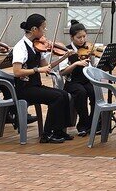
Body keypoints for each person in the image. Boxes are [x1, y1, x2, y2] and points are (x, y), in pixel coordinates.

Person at [11, 14, 73, 143]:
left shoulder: (37, 46)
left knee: (64, 94)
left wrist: (64, 56)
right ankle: (47, 134)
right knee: (56, 97)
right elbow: (17, 71)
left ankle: (59, 130)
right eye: (43, 28)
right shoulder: (20, 47)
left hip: (35, 86)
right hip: (24, 89)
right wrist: (37, 70)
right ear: (34, 29)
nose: (45, 31)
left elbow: (47, 66)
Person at [58, 22, 97, 137]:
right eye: (79, 37)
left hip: (87, 80)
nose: (82, 40)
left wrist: (94, 59)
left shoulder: (88, 48)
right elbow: (63, 71)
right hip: (72, 82)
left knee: (95, 92)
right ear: (71, 37)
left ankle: (93, 122)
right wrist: (76, 64)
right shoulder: (66, 50)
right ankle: (83, 124)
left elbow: (94, 67)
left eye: (84, 36)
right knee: (81, 92)